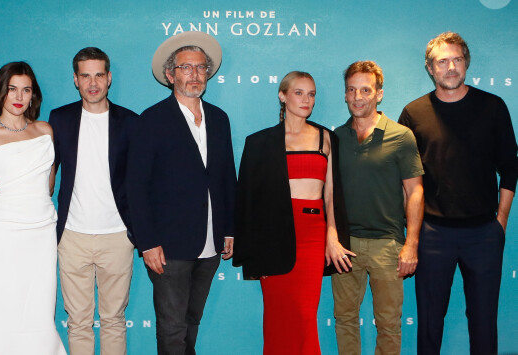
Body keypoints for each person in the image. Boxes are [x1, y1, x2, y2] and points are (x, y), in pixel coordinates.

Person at [399, 32, 518, 355]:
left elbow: (510, 167)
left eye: (457, 59)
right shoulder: (413, 113)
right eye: (442, 61)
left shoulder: (492, 107)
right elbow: (407, 181)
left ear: (466, 63)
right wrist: (413, 235)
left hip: (483, 234)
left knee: (483, 325)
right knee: (429, 325)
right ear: (430, 68)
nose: (451, 67)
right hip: (433, 234)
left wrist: (501, 222)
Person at [126, 31, 237, 354]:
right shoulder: (152, 120)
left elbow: (227, 177)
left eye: (201, 68)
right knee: (172, 328)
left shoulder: (219, 119)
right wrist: (146, 241)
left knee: (191, 322)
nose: (194, 74)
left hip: (210, 243)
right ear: (170, 74)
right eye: (186, 68)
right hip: (168, 245)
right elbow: (136, 185)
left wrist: (229, 228)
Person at [232, 71, 352, 355]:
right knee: (277, 318)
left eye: (311, 94)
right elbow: (247, 199)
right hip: (271, 239)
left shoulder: (327, 138)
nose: (306, 99)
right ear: (282, 96)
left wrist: (332, 237)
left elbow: (332, 195)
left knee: (304, 315)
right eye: (299, 92)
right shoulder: (259, 142)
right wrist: (251, 253)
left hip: (312, 235)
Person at [0, 62, 67, 355]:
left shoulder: (45, 130)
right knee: (6, 312)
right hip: (4, 235)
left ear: (33, 94)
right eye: (12, 89)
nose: (19, 96)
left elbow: (47, 186)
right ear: (1, 92)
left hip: (43, 230)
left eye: (26, 89)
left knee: (40, 312)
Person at [332, 61, 424, 354]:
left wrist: (411, 244)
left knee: (388, 322)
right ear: (345, 94)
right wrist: (331, 239)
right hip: (345, 246)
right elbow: (328, 194)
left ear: (379, 94)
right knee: (345, 319)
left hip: (388, 244)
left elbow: (415, 191)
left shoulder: (401, 136)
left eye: (366, 90)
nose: (358, 97)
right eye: (352, 90)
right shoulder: (335, 138)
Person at [49, 47, 136, 354]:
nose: (93, 82)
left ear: (109, 78)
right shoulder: (59, 120)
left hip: (117, 236)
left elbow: (141, 182)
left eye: (99, 74)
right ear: (75, 80)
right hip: (72, 236)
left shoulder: (130, 122)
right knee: (78, 322)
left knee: (113, 320)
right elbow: (47, 169)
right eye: (85, 75)